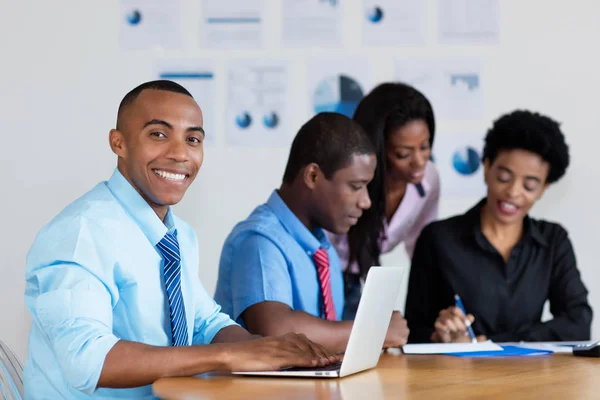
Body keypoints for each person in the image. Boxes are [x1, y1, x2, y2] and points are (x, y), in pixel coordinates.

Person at [24, 80, 337, 399]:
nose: (179, 154)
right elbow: (89, 360)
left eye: (193, 139)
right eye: (158, 134)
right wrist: (228, 357)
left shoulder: (178, 236)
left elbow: (205, 322)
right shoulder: (81, 232)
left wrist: (270, 352)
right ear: (118, 143)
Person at [214, 112, 410, 354]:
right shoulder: (259, 241)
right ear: (313, 176)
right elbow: (275, 331)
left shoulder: (322, 247)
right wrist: (374, 330)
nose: (366, 202)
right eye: (356, 187)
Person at [405, 110, 592, 343]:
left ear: (544, 188)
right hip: (459, 376)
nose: (513, 192)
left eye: (530, 185)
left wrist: (496, 342)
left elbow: (578, 323)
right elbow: (412, 331)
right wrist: (440, 335)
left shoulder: (553, 240)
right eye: (504, 177)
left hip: (532, 377)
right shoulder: (438, 238)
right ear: (486, 168)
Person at [328, 82, 440, 320]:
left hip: (364, 282)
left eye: (425, 146)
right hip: (326, 278)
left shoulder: (429, 179)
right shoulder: (350, 180)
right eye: (403, 154)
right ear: (377, 149)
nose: (419, 162)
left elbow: (420, 244)